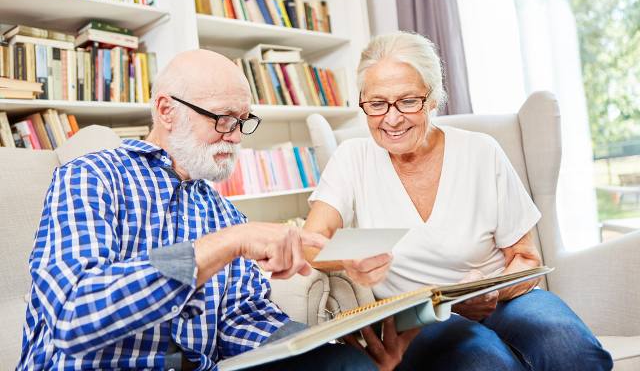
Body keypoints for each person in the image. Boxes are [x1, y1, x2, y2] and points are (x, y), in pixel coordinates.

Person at [18, 49, 393, 370]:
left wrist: (323, 348)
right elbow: (72, 317)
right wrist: (225, 244)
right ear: (166, 110)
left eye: (242, 121)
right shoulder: (91, 177)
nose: (233, 134)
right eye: (221, 118)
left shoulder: (222, 213)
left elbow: (240, 321)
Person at [304, 31, 614, 370]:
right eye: (377, 104)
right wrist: (349, 260)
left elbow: (526, 258)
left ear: (433, 98)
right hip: (421, 317)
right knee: (483, 363)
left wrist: (492, 294)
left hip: (503, 300)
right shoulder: (352, 158)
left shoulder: (481, 151)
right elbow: (311, 244)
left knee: (570, 348)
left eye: (408, 101)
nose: (391, 119)